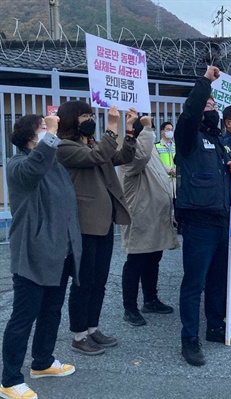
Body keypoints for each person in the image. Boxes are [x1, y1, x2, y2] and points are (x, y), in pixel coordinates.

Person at [1, 115, 81, 399]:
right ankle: (9, 380)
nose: (51, 135)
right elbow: (34, 166)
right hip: (33, 253)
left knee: (51, 310)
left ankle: (42, 362)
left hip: (59, 252)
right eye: (44, 131)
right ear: (31, 138)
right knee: (23, 317)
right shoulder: (18, 164)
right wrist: (51, 134)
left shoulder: (52, 163)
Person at [174, 66, 231, 367]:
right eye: (207, 105)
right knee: (195, 282)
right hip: (198, 221)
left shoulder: (219, 141)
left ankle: (215, 326)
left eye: (214, 104)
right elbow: (190, 112)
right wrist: (204, 83)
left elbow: (226, 167)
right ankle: (189, 339)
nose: (211, 108)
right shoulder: (187, 136)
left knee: (219, 279)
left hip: (222, 218)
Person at [57, 102, 136, 356]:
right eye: (84, 115)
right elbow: (98, 157)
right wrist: (112, 127)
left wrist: (131, 132)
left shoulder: (92, 144)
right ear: (70, 120)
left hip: (103, 223)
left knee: (99, 281)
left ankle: (92, 328)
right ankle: (79, 335)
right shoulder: (64, 147)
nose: (90, 119)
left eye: (91, 115)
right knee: (84, 281)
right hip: (83, 225)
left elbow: (121, 157)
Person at [119, 112, 180, 327]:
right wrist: (147, 129)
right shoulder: (129, 154)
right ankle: (130, 308)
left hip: (156, 214)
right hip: (140, 216)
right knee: (135, 262)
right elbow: (141, 157)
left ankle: (150, 299)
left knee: (153, 258)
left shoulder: (149, 149)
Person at [155, 121, 176, 197]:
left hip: (176, 182)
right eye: (168, 129)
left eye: (171, 129)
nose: (170, 131)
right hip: (163, 181)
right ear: (162, 132)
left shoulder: (177, 147)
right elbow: (156, 162)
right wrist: (169, 170)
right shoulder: (156, 146)